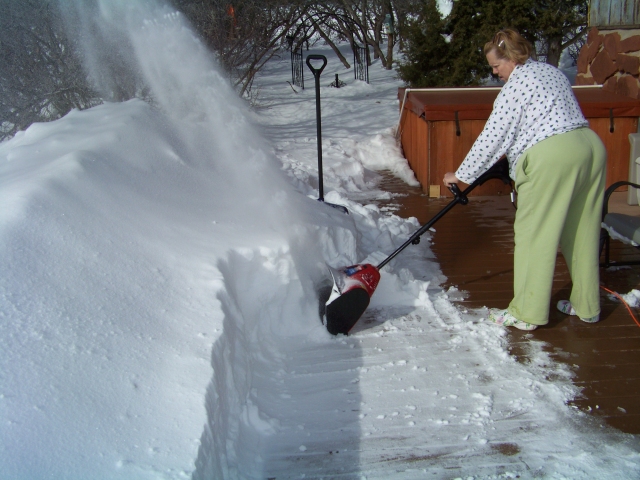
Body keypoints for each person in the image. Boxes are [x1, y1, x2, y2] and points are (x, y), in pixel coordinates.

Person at [443, 29, 606, 331]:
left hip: (552, 157)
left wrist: (462, 174)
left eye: (496, 66)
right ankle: (587, 306)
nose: (495, 74)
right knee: (583, 231)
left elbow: (494, 136)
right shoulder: (550, 71)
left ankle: (527, 312)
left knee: (534, 235)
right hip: (590, 148)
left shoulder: (516, 85)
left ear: (512, 58)